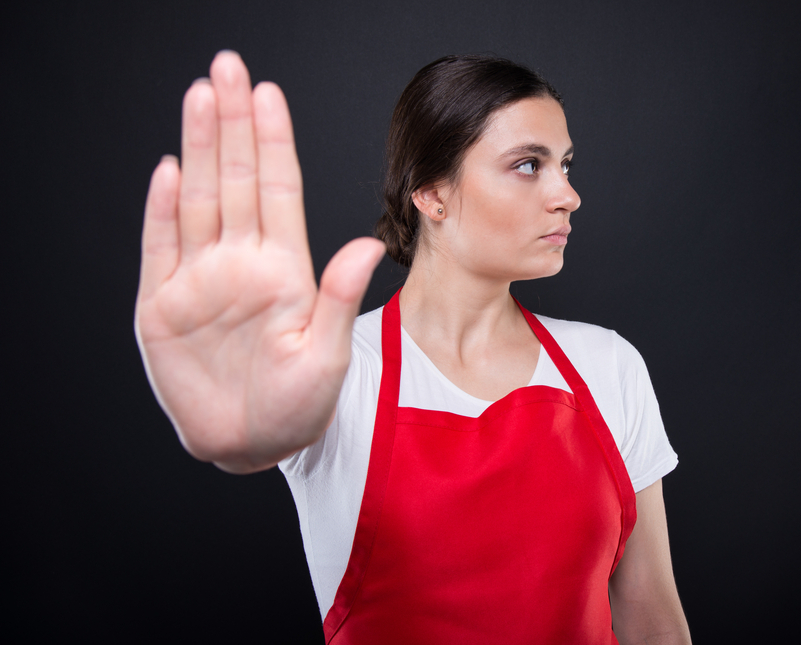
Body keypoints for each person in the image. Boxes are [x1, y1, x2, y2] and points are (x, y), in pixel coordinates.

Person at [135, 50, 692, 644]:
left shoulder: (608, 367)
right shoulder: (334, 369)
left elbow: (650, 616)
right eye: (529, 165)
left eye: (566, 164)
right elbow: (262, 436)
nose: (567, 195)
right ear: (430, 193)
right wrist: (240, 438)